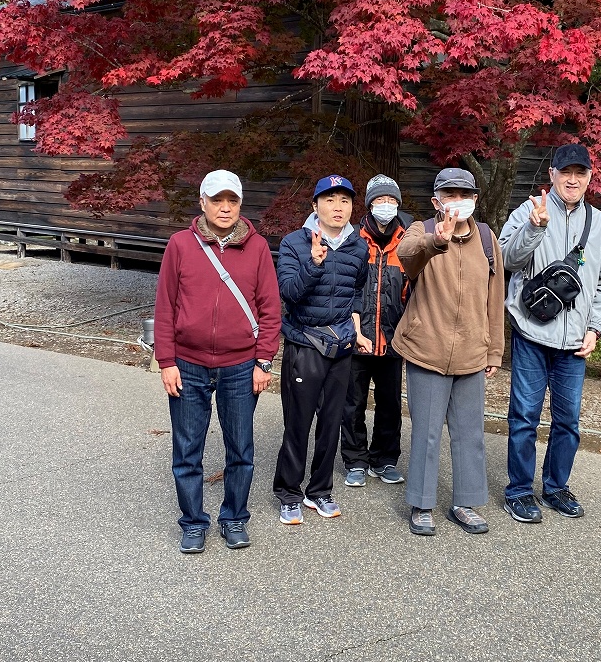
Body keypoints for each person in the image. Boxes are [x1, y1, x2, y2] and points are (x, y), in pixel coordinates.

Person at [155, 170, 282, 554]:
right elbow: (165, 307)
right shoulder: (180, 244)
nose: (225, 208)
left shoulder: (257, 248)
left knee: (240, 448)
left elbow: (270, 309)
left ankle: (234, 518)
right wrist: (166, 360)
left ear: (240, 204)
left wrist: (264, 361)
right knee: (187, 449)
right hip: (188, 363)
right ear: (203, 202)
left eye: (232, 201)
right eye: (217, 200)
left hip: (241, 364)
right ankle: (193, 522)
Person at [498, 143, 601, 524]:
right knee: (524, 417)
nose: (572, 179)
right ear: (551, 174)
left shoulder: (599, 223)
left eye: (580, 173)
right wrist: (534, 229)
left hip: (574, 344)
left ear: (589, 177)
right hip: (532, 333)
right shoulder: (528, 211)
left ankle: (555, 487)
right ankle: (519, 491)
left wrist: (596, 328)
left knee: (568, 421)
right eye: (565, 172)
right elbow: (506, 259)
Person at [392, 168, 505, 536]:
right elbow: (407, 259)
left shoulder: (487, 238)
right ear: (436, 201)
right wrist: (435, 242)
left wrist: (494, 351)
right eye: (450, 193)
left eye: (465, 193)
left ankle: (466, 502)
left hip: (473, 350)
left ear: (474, 198)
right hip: (428, 346)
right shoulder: (421, 231)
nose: (458, 200)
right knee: (426, 430)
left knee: (469, 431)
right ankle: (422, 504)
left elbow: (495, 297)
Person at [273, 174, 370, 525]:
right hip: (304, 343)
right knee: (298, 422)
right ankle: (288, 492)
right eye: (330, 200)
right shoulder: (293, 243)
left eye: (345, 200)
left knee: (332, 423)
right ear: (315, 205)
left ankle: (320, 490)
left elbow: (355, 291)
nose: (338, 207)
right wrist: (313, 264)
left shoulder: (358, 247)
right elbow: (289, 292)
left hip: (341, 346)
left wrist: (356, 330)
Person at [341, 174, 412, 488]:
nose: (386, 206)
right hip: (358, 336)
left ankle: (384, 459)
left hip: (393, 338)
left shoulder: (409, 240)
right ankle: (355, 459)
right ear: (369, 204)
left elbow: (415, 290)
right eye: (380, 200)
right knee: (352, 403)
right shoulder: (353, 240)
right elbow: (344, 288)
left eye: (391, 200)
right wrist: (352, 328)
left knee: (390, 403)